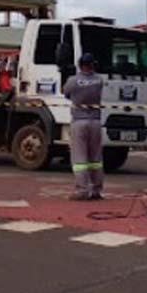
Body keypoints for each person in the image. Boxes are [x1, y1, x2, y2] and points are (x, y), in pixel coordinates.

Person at [63, 53, 104, 200]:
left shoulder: (73, 81)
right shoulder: (99, 80)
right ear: (92, 64)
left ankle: (82, 191)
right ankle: (96, 190)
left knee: (80, 159)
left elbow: (66, 93)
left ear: (80, 65)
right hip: (95, 121)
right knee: (96, 159)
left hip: (79, 121)